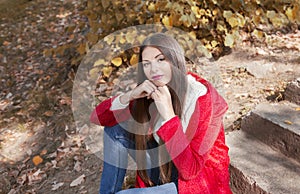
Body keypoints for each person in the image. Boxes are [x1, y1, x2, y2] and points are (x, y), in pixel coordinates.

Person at [90, 33, 232, 194]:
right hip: (165, 168)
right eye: (146, 64)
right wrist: (129, 96)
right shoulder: (151, 90)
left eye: (160, 59)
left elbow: (190, 170)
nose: (154, 69)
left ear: (174, 59)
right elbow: (97, 117)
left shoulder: (201, 97)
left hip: (196, 183)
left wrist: (169, 116)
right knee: (114, 131)